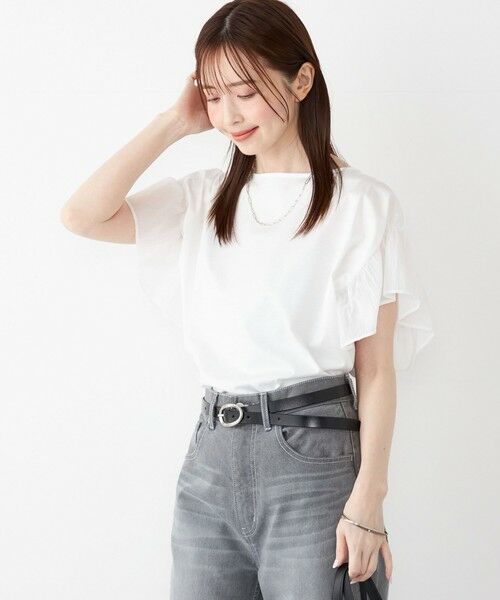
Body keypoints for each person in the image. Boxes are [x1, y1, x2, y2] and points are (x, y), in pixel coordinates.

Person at [61, 1, 434, 598]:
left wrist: (369, 499)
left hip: (314, 459)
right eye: (213, 96)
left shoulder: (363, 205)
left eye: (245, 91)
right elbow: (82, 216)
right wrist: (173, 122)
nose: (228, 115)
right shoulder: (204, 198)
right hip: (210, 459)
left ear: (302, 80)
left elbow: (376, 369)